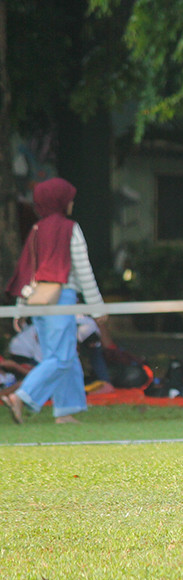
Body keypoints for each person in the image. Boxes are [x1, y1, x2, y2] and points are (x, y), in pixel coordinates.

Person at [3, 177, 105, 424]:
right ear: (60, 201)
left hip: (38, 301)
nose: (72, 203)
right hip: (62, 299)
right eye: (69, 199)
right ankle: (21, 396)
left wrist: (21, 309)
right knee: (62, 358)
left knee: (59, 357)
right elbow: (83, 269)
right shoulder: (70, 228)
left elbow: (27, 272)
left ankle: (65, 411)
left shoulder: (37, 230)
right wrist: (96, 307)